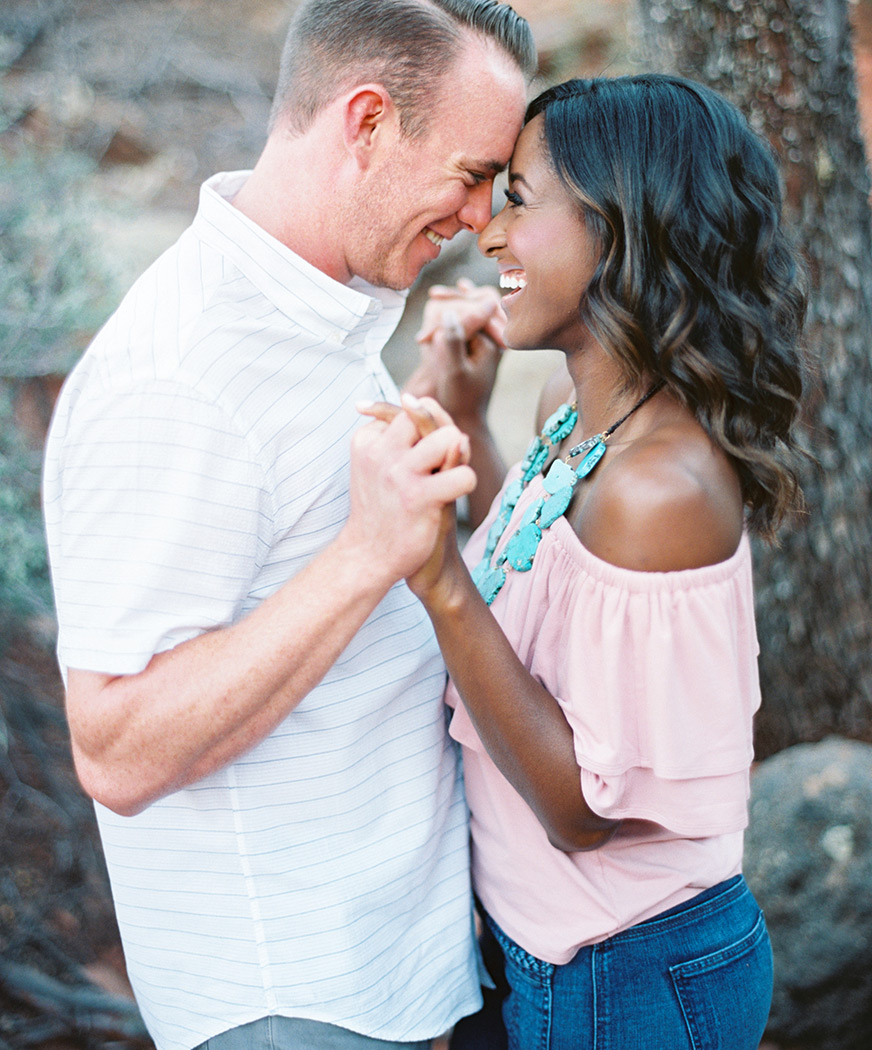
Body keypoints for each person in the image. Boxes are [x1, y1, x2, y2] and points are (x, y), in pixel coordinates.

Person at [41, 3, 535, 1049]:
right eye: (471, 174)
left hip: (387, 968)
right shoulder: (176, 376)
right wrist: (366, 554)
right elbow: (116, 749)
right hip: (293, 998)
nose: (481, 217)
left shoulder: (313, 308)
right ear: (367, 122)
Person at [361, 73, 807, 1049]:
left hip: (628, 973)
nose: (488, 234)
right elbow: (539, 580)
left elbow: (579, 811)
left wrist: (435, 577)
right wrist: (469, 424)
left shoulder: (662, 491)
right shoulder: (575, 418)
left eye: (519, 200)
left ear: (621, 227)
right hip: (542, 946)